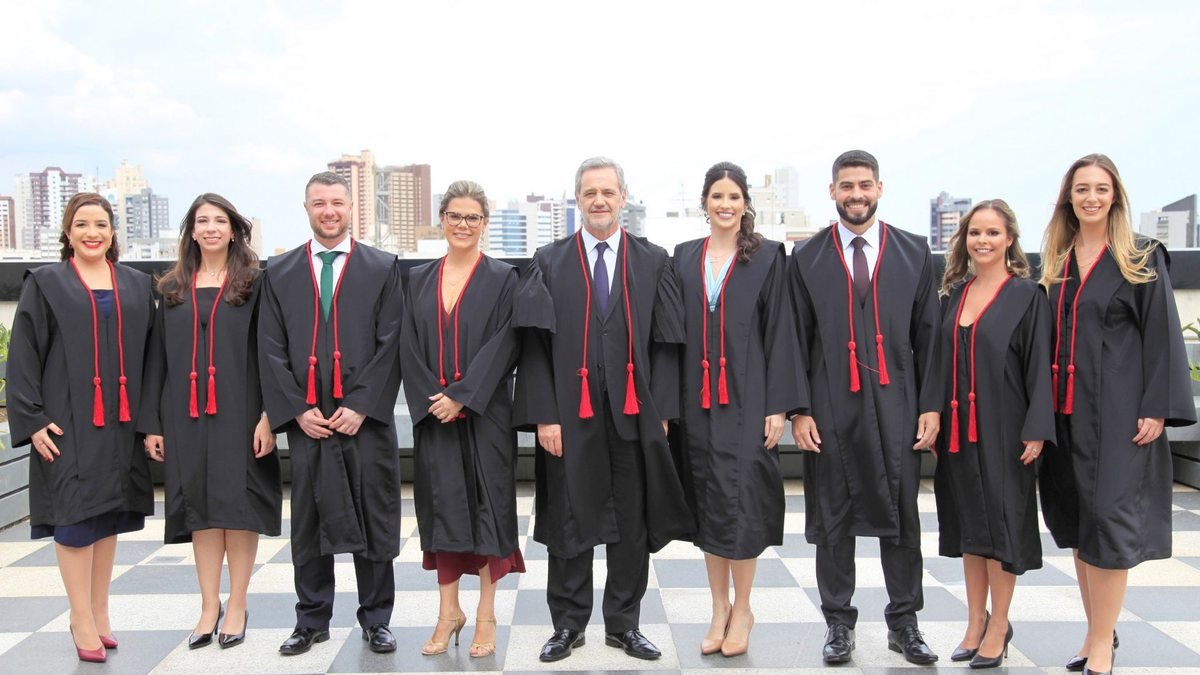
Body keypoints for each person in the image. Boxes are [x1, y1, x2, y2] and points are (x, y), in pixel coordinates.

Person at [514, 157, 692, 663]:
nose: (599, 200)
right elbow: (534, 348)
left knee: (631, 521)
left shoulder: (653, 261)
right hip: (570, 417)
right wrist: (545, 415)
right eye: (590, 192)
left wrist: (661, 413)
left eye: (608, 192)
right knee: (569, 518)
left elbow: (667, 344)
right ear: (578, 199)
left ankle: (624, 624)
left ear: (623, 197)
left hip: (634, 415)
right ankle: (568, 624)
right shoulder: (549, 261)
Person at [1038, 154, 1195, 675]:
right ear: (1069, 197)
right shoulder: (1058, 261)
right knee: (1080, 522)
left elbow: (1163, 336)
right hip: (1066, 413)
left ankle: (1103, 643)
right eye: (1082, 189)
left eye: (1101, 189)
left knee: (1108, 522)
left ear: (1115, 196)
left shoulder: (1141, 257)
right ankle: (1094, 634)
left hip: (1121, 415)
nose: (1091, 198)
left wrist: (1156, 407)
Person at [788, 150, 941, 665]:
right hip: (829, 406)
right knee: (833, 518)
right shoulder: (806, 257)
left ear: (880, 188)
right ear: (832, 191)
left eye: (865, 185)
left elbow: (930, 336)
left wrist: (930, 406)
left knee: (903, 517)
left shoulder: (914, 253)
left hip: (898, 404)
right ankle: (838, 623)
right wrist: (799, 410)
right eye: (847, 185)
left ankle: (905, 623)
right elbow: (795, 339)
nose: (857, 194)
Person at [258, 171, 404, 656]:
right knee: (309, 520)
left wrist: (361, 405)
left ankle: (377, 619)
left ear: (350, 207)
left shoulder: (382, 267)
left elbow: (392, 341)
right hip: (310, 422)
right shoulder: (279, 272)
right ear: (306, 208)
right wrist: (297, 409)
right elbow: (270, 346)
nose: (329, 211)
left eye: (337, 202)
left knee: (374, 514)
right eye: (319, 203)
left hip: (364, 420)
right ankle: (311, 619)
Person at [8, 193, 155, 663]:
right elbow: (24, 354)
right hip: (65, 422)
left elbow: (152, 356)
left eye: (101, 225)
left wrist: (150, 422)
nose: (92, 233)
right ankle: (79, 616)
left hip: (120, 421)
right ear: (68, 233)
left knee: (107, 515)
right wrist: (32, 419)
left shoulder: (136, 284)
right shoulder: (46, 283)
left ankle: (100, 610)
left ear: (113, 233)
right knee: (74, 519)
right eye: (82, 224)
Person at [671, 162, 805, 657]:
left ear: (745, 203)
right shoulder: (684, 257)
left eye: (733, 197)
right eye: (716, 196)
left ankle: (743, 608)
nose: (725, 205)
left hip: (749, 402)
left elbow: (782, 332)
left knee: (742, 504)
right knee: (708, 503)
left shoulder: (768, 257)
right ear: (704, 203)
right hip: (696, 401)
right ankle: (718, 608)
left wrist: (779, 406)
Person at [139, 193, 281, 650]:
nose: (212, 228)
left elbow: (270, 354)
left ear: (234, 230)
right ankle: (208, 606)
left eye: (220, 220)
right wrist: (152, 423)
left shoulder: (256, 284)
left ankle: (237, 603)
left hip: (242, 413)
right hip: (185, 415)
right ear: (192, 231)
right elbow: (157, 360)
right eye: (203, 221)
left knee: (238, 508)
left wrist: (268, 416)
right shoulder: (172, 288)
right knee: (200, 510)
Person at [399, 180, 525, 658]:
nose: (463, 225)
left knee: (489, 511)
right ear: (442, 219)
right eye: (455, 216)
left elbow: (506, 343)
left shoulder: (504, 278)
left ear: (484, 223)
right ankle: (448, 611)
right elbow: (407, 345)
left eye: (473, 217)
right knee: (442, 510)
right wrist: (436, 401)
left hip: (486, 414)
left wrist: (462, 397)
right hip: (434, 416)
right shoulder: (417, 279)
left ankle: (486, 614)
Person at [934, 199, 1055, 669]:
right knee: (970, 527)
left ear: (1009, 239)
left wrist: (1037, 429)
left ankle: (1000, 624)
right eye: (974, 233)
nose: (982, 241)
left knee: (1002, 527)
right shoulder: (955, 294)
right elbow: (938, 362)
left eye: (992, 233)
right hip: (958, 434)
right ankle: (975, 621)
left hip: (1007, 431)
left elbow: (1039, 366)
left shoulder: (1027, 295)